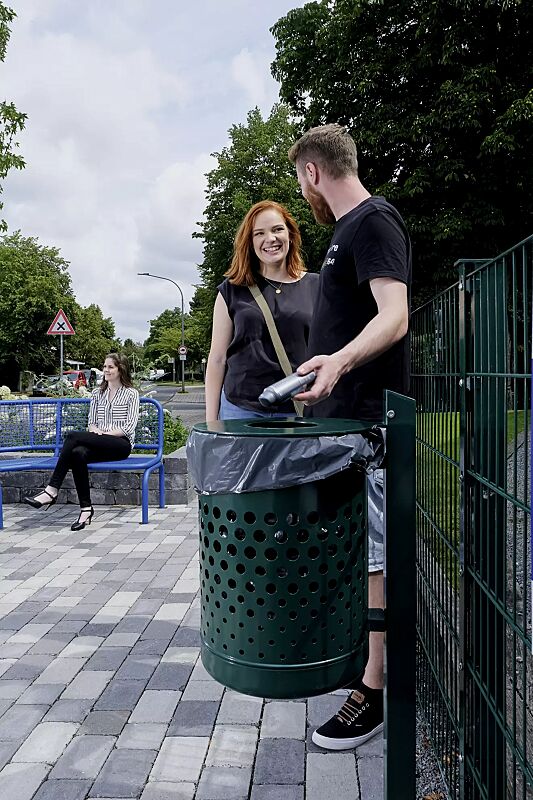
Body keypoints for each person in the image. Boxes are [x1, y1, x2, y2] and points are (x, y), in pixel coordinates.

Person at [288, 124, 411, 750]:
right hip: (347, 424)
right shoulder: (346, 232)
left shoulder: (372, 221)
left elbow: (395, 316)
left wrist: (337, 362)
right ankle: (362, 668)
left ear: (313, 172)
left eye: (300, 180)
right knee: (360, 555)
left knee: (375, 561)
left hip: (372, 424)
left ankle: (372, 692)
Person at [205, 200, 319, 421]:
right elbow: (217, 359)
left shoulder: (317, 285)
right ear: (250, 241)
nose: (270, 239)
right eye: (259, 233)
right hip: (240, 410)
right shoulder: (231, 290)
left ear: (291, 234)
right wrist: (211, 421)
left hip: (298, 410)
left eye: (277, 229)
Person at [23, 353, 140, 531]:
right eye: (105, 366)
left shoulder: (131, 394)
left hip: (121, 443)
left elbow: (129, 426)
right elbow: (91, 421)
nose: (106, 370)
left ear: (120, 369)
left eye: (110, 367)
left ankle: (51, 490)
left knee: (72, 437)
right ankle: (86, 509)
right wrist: (95, 431)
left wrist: (104, 434)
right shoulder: (97, 393)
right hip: (99, 440)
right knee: (78, 453)